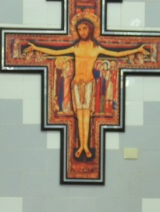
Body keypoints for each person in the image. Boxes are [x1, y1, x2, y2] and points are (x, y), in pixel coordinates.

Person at [25, 13, 146, 159]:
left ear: (89, 29)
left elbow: (118, 54)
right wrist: (36, 47)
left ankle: (85, 146)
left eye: (84, 29)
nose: (82, 32)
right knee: (79, 116)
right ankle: (81, 145)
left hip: (89, 84)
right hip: (76, 84)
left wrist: (137, 50)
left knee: (86, 116)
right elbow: (56, 51)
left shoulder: (96, 48)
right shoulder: (75, 47)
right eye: (79, 29)